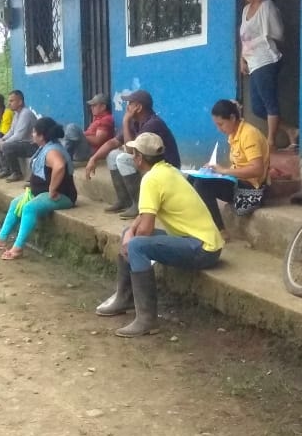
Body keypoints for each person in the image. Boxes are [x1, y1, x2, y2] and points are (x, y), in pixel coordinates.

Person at [95, 132, 223, 337]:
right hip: (202, 243)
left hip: (202, 249)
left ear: (139, 158)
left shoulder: (151, 179)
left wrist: (131, 238)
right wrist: (130, 232)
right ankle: (125, 297)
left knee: (137, 244)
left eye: (134, 153)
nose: (131, 156)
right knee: (130, 233)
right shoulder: (167, 170)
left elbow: (145, 229)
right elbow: (144, 214)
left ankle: (147, 319)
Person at [0, 117, 77, 261]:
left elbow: (59, 166)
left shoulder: (52, 150)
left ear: (41, 136)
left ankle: (18, 248)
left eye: (34, 132)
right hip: (40, 193)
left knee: (29, 208)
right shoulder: (46, 146)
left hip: (62, 195)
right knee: (15, 203)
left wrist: (52, 189)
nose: (32, 135)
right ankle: (1, 239)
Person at [84, 89, 180, 219]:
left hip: (167, 168)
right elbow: (113, 142)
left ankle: (140, 205)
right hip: (150, 163)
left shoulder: (153, 123)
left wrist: (125, 121)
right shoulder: (135, 122)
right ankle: (124, 200)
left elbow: (131, 150)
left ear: (138, 107)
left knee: (123, 158)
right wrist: (94, 158)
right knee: (112, 155)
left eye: (130, 103)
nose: (127, 107)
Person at [189, 99, 270, 233]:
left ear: (232, 118)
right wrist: (215, 171)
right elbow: (238, 165)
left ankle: (219, 231)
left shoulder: (249, 134)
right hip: (238, 182)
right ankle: (197, 224)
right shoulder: (234, 134)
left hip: (252, 191)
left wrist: (224, 171)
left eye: (221, 124)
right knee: (192, 179)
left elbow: (257, 169)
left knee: (202, 185)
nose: (219, 129)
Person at [239, 0, 296, 150]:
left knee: (270, 103)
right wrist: (242, 59)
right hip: (253, 62)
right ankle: (290, 130)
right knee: (257, 107)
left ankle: (270, 142)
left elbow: (278, 33)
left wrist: (261, 40)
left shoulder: (267, 7)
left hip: (266, 59)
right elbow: (244, 38)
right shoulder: (245, 10)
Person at [0, 90, 37, 182]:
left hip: (31, 145)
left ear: (20, 102)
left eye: (12, 101)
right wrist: (2, 139)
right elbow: (11, 131)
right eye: (9, 101)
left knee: (7, 145)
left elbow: (19, 136)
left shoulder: (26, 113)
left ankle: (16, 173)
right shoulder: (17, 114)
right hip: (21, 143)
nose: (9, 103)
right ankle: (4, 168)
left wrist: (4, 142)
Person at [63, 94, 115, 161]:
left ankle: (66, 158)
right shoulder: (98, 118)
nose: (91, 108)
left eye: (94, 105)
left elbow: (98, 140)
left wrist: (82, 135)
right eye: (91, 106)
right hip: (86, 149)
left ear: (103, 107)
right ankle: (66, 156)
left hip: (92, 152)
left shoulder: (106, 119)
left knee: (72, 128)